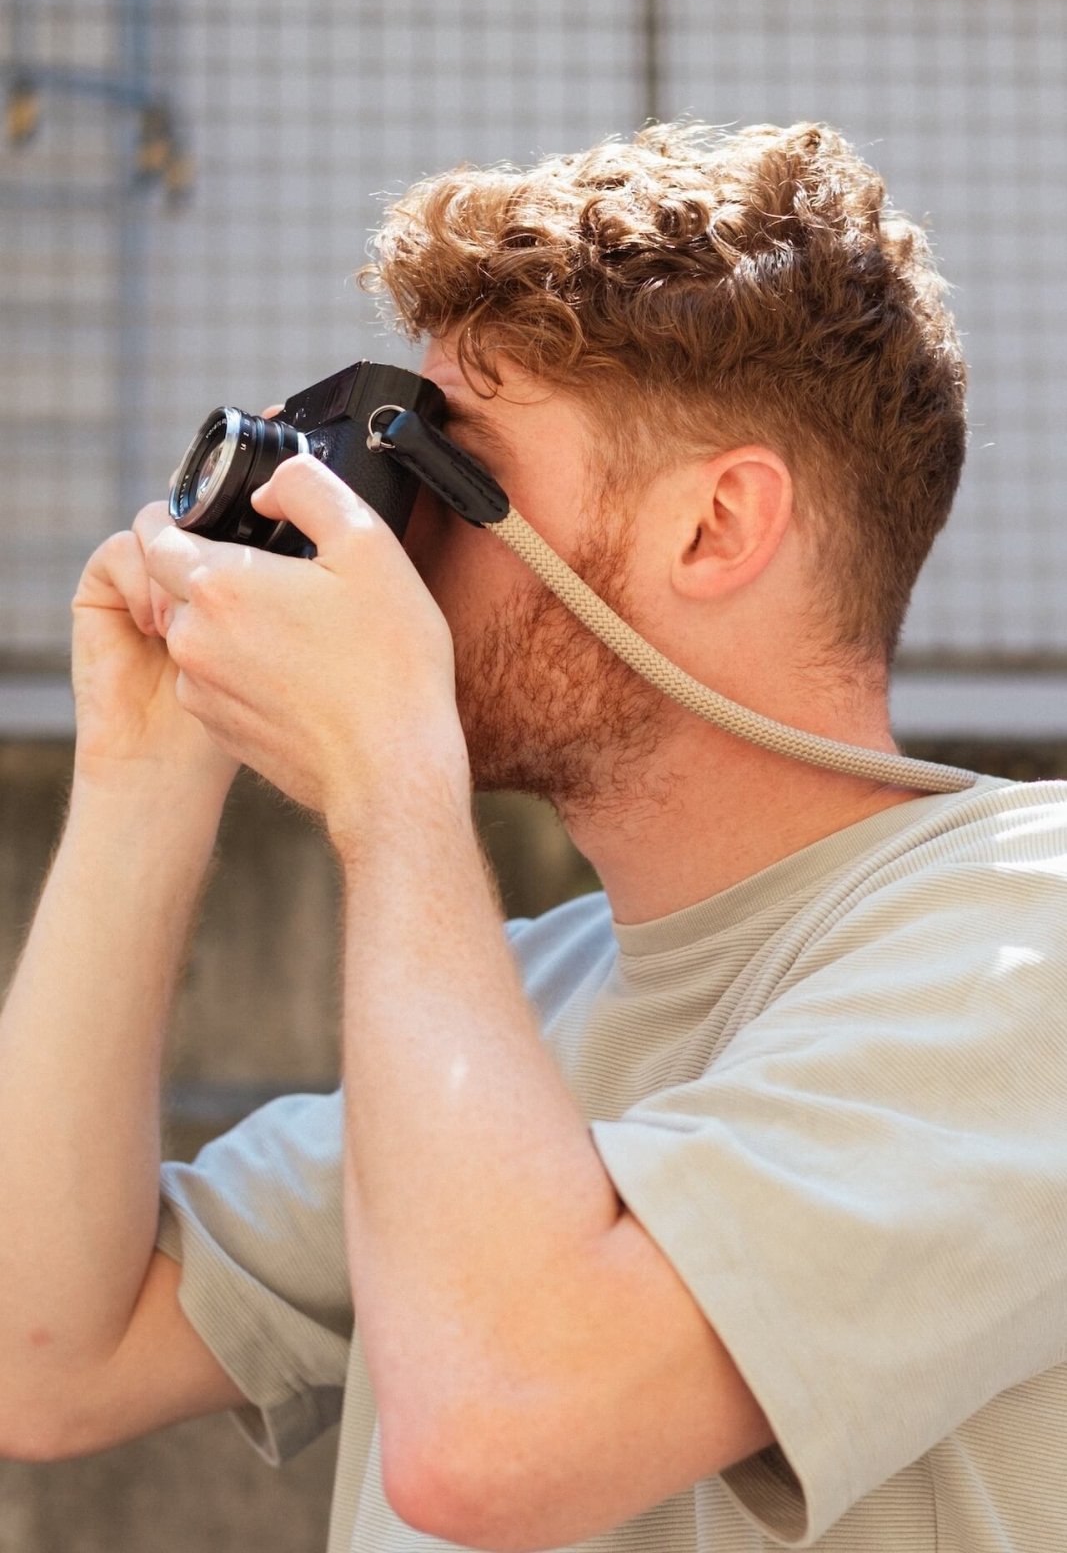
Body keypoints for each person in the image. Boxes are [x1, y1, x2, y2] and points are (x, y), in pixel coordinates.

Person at [2, 120, 1065, 1553]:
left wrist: (392, 780)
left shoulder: (1026, 940)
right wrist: (147, 771)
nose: (386, 544)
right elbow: (45, 1359)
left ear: (716, 527)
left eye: (438, 465)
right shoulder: (517, 992)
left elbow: (498, 1437)